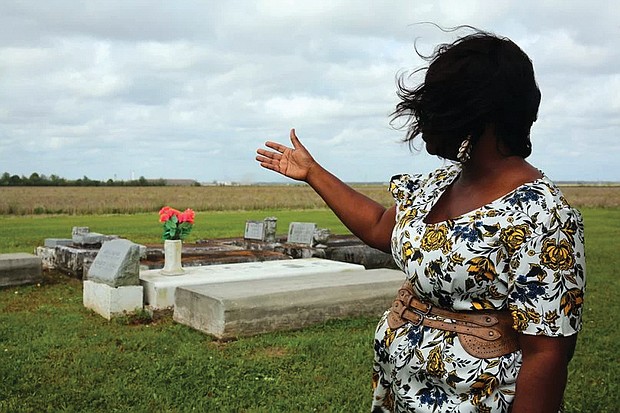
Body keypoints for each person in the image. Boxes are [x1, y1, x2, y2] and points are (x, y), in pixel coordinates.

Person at [255, 30, 585, 413]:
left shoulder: (541, 214)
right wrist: (313, 173)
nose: (422, 119)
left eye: (436, 106)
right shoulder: (440, 183)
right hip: (405, 393)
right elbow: (381, 225)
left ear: (481, 115)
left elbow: (547, 353)